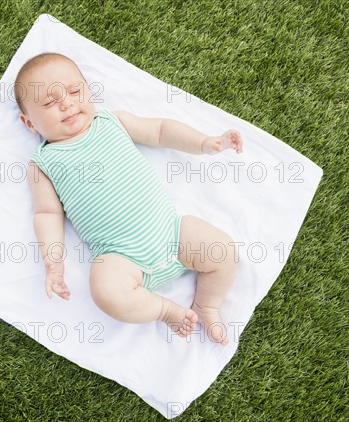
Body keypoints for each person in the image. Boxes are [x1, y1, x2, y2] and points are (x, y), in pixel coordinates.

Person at [16, 52, 243, 346]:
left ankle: (207, 306)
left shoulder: (111, 121)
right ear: (29, 123)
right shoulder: (43, 163)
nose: (67, 103)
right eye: (48, 102)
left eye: (75, 91)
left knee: (223, 251)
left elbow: (160, 131)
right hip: (120, 258)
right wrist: (53, 262)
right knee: (105, 293)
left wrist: (204, 142)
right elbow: (46, 214)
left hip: (172, 234)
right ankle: (163, 309)